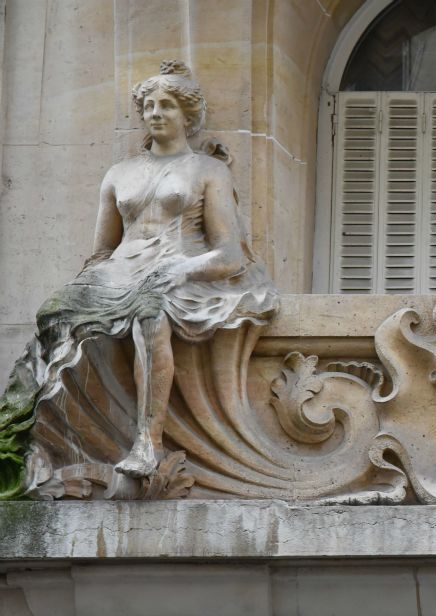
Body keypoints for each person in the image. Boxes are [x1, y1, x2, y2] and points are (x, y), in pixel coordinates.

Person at [0, 60, 277, 489]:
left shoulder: (208, 171)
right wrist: (89, 288)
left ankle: (147, 441)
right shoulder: (119, 174)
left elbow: (229, 254)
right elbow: (100, 252)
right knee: (53, 310)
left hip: (181, 272)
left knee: (151, 312)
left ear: (188, 115)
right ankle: (38, 427)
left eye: (166, 104)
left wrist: (183, 268)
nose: (155, 112)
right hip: (119, 273)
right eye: (148, 105)